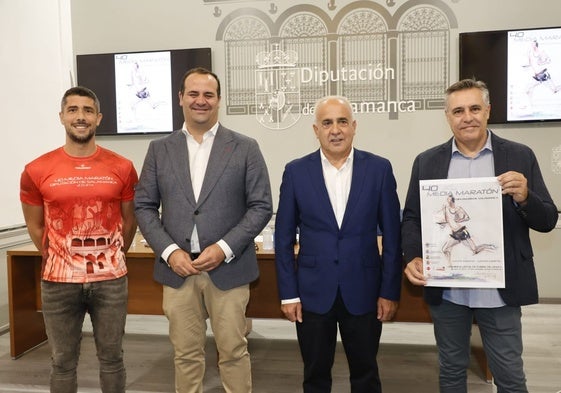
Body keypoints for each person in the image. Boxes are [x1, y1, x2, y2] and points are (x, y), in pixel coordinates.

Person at [401, 79, 558, 393]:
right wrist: (412, 255)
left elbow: (548, 219)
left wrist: (526, 196)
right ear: (448, 117)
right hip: (447, 292)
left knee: (511, 377)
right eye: (458, 111)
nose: (467, 117)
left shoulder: (519, 155)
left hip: (500, 290)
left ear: (488, 110)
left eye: (474, 108)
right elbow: (412, 219)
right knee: (451, 373)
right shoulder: (427, 161)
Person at [134, 67, 273, 393]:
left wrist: (224, 247)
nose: (201, 101)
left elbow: (261, 206)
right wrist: (169, 252)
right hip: (177, 271)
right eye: (193, 94)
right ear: (181, 98)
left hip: (228, 269)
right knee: (185, 354)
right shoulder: (160, 150)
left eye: (208, 94)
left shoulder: (245, 147)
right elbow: (143, 206)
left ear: (218, 100)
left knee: (234, 352)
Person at [274, 96, 402, 393]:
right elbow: (283, 239)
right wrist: (288, 294)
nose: (335, 130)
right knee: (315, 375)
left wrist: (389, 291)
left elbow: (393, 238)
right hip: (312, 293)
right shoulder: (295, 172)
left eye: (342, 121)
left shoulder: (379, 169)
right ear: (315, 129)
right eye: (327, 123)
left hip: (366, 291)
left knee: (366, 374)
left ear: (354, 126)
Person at [20, 86, 138, 392]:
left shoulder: (123, 167)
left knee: (112, 359)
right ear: (61, 117)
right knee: (62, 362)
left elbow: (130, 220)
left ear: (98, 118)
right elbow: (35, 227)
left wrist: (113, 256)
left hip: (111, 280)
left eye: (87, 110)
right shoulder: (36, 170)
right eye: (73, 110)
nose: (80, 117)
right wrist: (60, 257)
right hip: (58, 282)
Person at [437, 193, 496, 268]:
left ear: (452, 200)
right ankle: (450, 266)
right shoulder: (445, 208)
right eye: (447, 199)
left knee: (475, 250)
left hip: (462, 232)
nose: (447, 200)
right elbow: (446, 219)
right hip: (455, 234)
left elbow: (467, 218)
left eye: (449, 199)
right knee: (445, 249)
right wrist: (443, 223)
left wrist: (458, 220)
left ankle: (489, 246)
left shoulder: (458, 209)